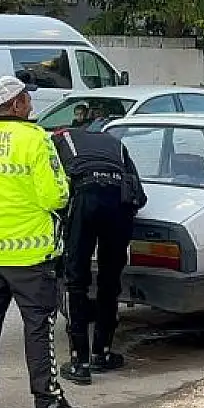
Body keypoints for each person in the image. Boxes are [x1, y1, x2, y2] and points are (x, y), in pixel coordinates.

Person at [0, 75, 84, 408]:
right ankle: (47, 405)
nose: (31, 106)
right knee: (38, 328)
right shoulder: (35, 140)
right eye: (27, 100)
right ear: (16, 104)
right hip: (30, 253)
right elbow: (55, 196)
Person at [52, 119, 146, 386]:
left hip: (83, 197)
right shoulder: (115, 143)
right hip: (118, 203)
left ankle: (79, 363)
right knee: (109, 281)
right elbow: (138, 193)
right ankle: (101, 354)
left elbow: (52, 186)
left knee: (75, 281)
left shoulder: (59, 139)